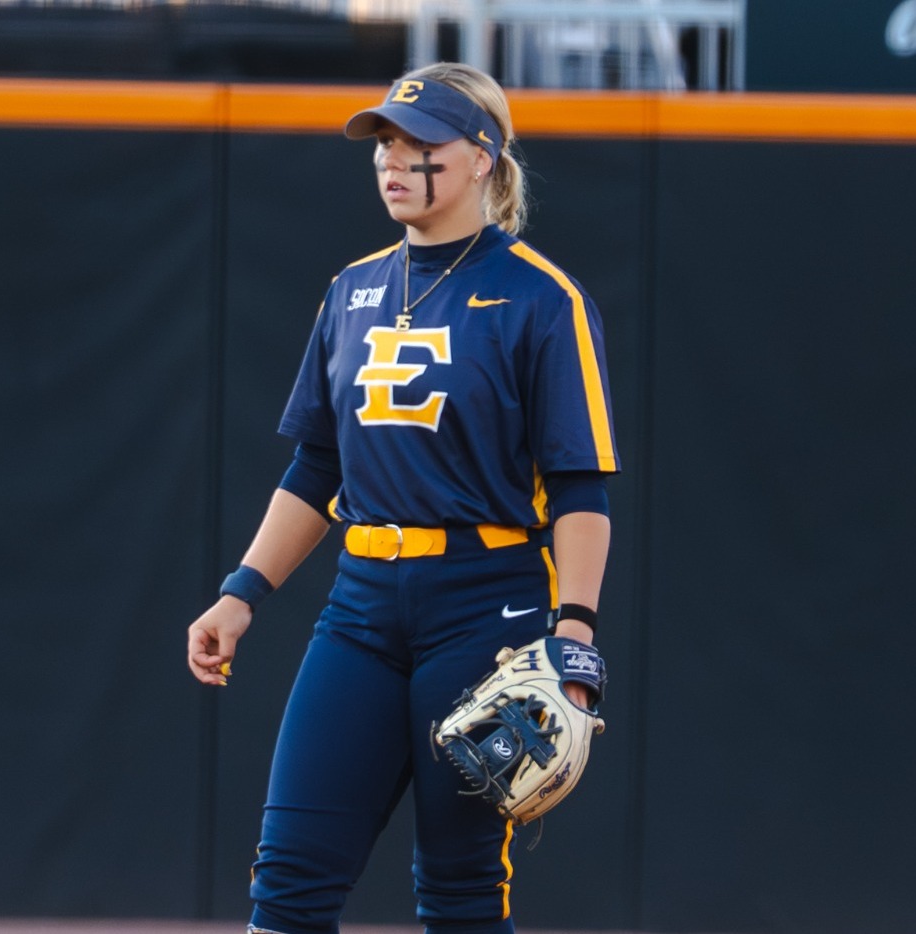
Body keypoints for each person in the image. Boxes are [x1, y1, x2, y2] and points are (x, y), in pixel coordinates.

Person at [185, 61, 620, 934]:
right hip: (361, 607)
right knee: (288, 882)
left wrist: (573, 633)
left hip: (484, 608)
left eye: (420, 142)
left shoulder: (540, 297)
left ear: (483, 157)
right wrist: (241, 592)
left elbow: (579, 484)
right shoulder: (352, 291)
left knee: (458, 888)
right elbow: (317, 468)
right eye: (384, 140)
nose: (394, 158)